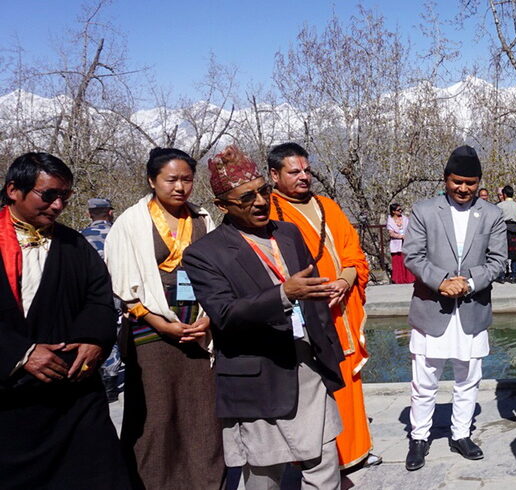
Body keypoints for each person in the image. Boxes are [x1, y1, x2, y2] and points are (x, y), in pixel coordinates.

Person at [183, 145, 346, 489]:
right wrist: (284, 294)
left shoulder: (287, 233)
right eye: (246, 198)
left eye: (263, 192)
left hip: (306, 367)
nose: (259, 202)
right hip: (258, 376)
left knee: (324, 463)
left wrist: (328, 348)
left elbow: (312, 296)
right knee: (263, 475)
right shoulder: (204, 254)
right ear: (223, 205)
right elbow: (225, 314)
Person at [0, 152, 129, 488]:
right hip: (9, 399)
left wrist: (94, 339)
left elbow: (100, 297)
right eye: (49, 195)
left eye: (64, 197)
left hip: (72, 396)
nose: (58, 206)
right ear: (14, 189)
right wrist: (22, 353)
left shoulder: (74, 244)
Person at [105, 147, 224, 489]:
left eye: (187, 179)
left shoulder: (203, 218)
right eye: (171, 179)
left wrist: (210, 319)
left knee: (202, 410)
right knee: (156, 411)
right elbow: (122, 282)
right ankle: (154, 481)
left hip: (199, 322)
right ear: (152, 180)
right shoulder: (131, 222)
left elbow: (219, 274)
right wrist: (158, 321)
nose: (180, 187)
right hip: (149, 324)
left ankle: (205, 480)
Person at [266, 141, 378, 470]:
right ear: (274, 175)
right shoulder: (269, 212)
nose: (304, 177)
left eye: (307, 170)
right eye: (294, 171)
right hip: (303, 315)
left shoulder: (327, 205)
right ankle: (320, 459)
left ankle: (357, 451)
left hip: (340, 310)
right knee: (313, 388)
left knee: (347, 382)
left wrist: (344, 280)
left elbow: (353, 253)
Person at [402, 145, 507, 471]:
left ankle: (461, 434)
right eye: (457, 181)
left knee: (468, 378)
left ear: (479, 183)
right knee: (425, 381)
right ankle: (419, 438)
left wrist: (470, 282)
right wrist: (442, 282)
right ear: (445, 179)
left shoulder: (492, 214)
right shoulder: (424, 211)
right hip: (432, 308)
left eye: (470, 183)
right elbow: (413, 256)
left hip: (472, 310)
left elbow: (498, 261)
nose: (463, 188)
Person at [81, 197, 125, 401]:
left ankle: (103, 376)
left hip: (92, 296)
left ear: (90, 214)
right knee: (118, 332)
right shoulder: (120, 234)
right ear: (109, 212)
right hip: (119, 291)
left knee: (99, 333)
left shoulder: (80, 237)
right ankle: (112, 376)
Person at [497, 185, 516, 283]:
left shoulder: (499, 206)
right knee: (515, 254)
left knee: (502, 253)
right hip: (514, 231)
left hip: (502, 230)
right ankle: (514, 276)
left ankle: (502, 276)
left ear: (504, 194)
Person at [388, 203, 414, 284]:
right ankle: (399, 279)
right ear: (393, 211)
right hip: (396, 244)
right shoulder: (390, 220)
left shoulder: (405, 218)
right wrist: (400, 236)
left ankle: (409, 278)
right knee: (398, 261)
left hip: (406, 243)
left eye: (400, 209)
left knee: (407, 260)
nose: (400, 211)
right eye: (398, 210)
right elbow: (391, 233)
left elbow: (410, 228)